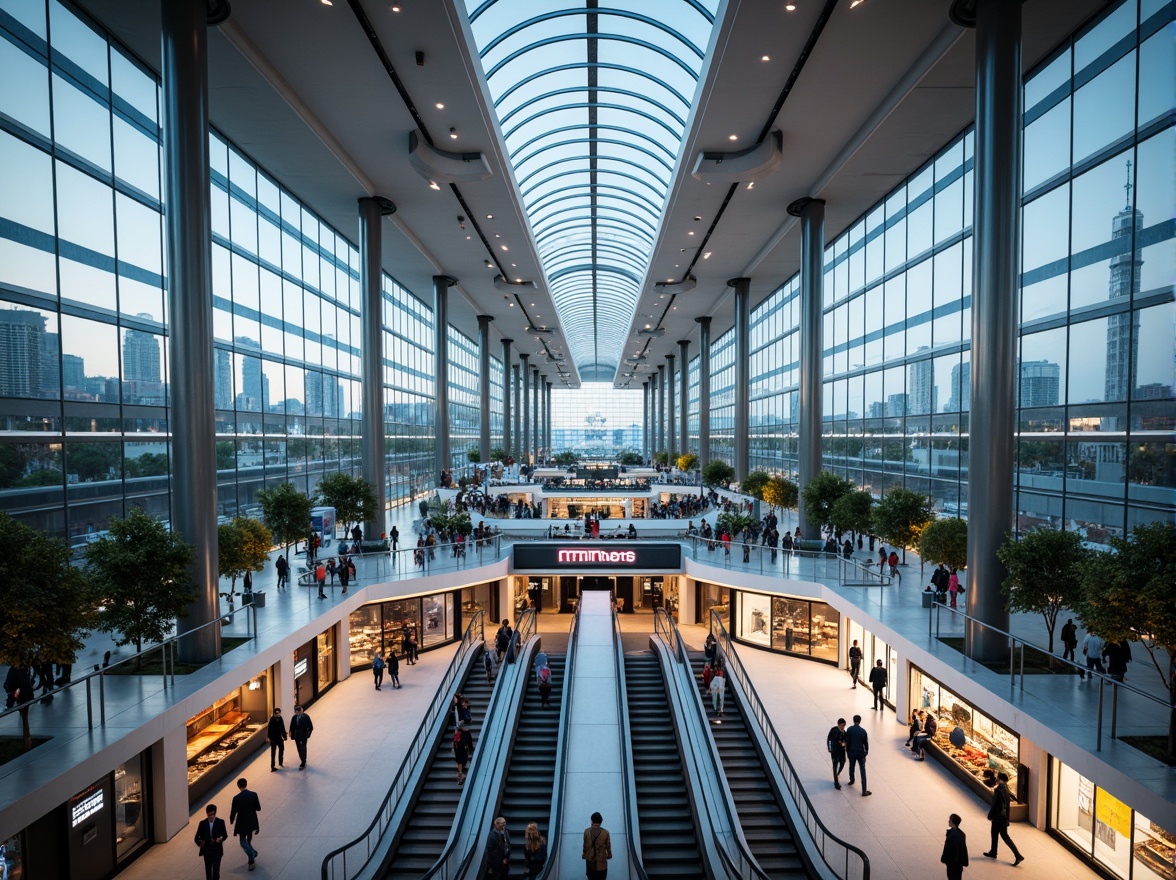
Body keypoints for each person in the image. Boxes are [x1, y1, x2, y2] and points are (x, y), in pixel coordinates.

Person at [984, 771, 1023, 865]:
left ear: (1000, 779)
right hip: (1003, 817)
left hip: (999, 817)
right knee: (994, 833)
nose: (996, 778)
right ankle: (993, 852)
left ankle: (1018, 856)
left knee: (1004, 836)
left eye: (997, 777)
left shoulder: (999, 790)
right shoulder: (1005, 788)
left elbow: (997, 806)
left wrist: (991, 816)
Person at [229, 777, 261, 871]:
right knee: (248, 840)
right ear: (246, 784)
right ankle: (251, 858)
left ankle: (252, 855)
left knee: (243, 841)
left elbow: (233, 811)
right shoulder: (254, 795)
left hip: (241, 822)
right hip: (252, 820)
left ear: (238, 786)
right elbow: (258, 808)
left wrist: (231, 820)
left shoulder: (236, 798)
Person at [194, 803, 228, 880]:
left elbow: (225, 835)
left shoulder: (220, 822)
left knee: (216, 872)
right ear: (207, 814)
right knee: (208, 873)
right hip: (207, 851)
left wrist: (221, 839)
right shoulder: (202, 823)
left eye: (213, 814)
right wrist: (200, 842)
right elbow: (196, 838)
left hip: (217, 850)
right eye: (210, 814)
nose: (211, 816)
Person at [843, 714, 870, 796]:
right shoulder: (863, 731)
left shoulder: (849, 730)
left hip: (852, 752)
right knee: (862, 770)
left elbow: (847, 742)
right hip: (860, 753)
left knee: (851, 766)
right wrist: (866, 752)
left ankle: (852, 779)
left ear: (853, 720)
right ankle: (864, 790)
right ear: (860, 721)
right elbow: (865, 743)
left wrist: (847, 751)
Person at [582, 812, 612, 880]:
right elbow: (608, 847)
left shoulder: (587, 832)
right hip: (601, 863)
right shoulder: (605, 833)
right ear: (601, 821)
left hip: (590, 862)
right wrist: (609, 855)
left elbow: (585, 846)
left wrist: (584, 855)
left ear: (592, 820)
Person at [941, 813, 969, 880]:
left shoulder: (952, 835)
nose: (948, 821)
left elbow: (948, 849)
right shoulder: (962, 834)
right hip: (959, 863)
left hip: (952, 863)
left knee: (951, 877)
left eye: (950, 820)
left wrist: (944, 859)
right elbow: (963, 849)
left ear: (952, 821)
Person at [483, 815, 511, 880]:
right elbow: (491, 852)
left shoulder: (505, 832)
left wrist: (507, 858)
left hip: (505, 862)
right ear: (497, 825)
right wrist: (501, 862)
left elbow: (508, 845)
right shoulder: (492, 836)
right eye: (502, 824)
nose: (504, 825)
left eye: (505, 823)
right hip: (497, 865)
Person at [289, 705, 313, 770]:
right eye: (295, 711)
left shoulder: (306, 717)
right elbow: (292, 725)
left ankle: (303, 761)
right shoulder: (294, 717)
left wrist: (308, 734)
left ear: (300, 711)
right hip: (297, 736)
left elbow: (310, 727)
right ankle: (302, 758)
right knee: (299, 748)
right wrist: (290, 732)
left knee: (303, 747)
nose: (296, 713)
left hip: (303, 735)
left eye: (297, 711)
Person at [827, 717, 847, 789]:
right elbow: (829, 739)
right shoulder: (833, 730)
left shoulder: (844, 733)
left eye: (844, 725)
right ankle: (836, 782)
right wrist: (830, 749)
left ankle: (837, 774)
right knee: (835, 765)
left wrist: (843, 744)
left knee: (843, 762)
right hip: (835, 751)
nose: (842, 727)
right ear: (838, 725)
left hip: (841, 751)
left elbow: (845, 742)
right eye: (841, 725)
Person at [453, 719, 474, 784]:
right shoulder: (466, 733)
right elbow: (469, 742)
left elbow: (454, 743)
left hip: (458, 751)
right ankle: (462, 777)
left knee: (460, 763)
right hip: (463, 751)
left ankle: (460, 776)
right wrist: (471, 750)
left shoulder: (456, 734)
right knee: (463, 762)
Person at [266, 707, 287, 771]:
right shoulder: (273, 719)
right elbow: (270, 729)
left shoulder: (279, 718)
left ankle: (279, 762)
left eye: (279, 712)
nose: (279, 714)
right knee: (274, 752)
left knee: (280, 749)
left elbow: (282, 727)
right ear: (275, 713)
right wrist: (269, 737)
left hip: (277, 737)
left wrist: (284, 735)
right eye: (278, 713)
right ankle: (274, 765)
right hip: (274, 738)